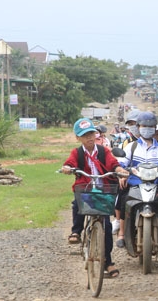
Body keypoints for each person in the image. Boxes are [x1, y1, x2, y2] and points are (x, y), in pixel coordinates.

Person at [61, 117, 129, 278]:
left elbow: (113, 163)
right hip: (85, 190)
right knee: (77, 203)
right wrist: (67, 168)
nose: (90, 138)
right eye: (85, 135)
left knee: (105, 226)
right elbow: (69, 163)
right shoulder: (76, 153)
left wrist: (120, 169)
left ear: (96, 134)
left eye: (91, 133)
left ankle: (108, 263)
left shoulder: (104, 151)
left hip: (103, 191)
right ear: (78, 138)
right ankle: (76, 232)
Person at [116, 111, 158, 248]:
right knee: (124, 198)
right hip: (135, 183)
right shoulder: (131, 147)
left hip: (157, 183)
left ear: (155, 128)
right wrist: (123, 174)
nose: (147, 129)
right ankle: (121, 232)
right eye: (144, 126)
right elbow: (122, 163)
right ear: (138, 127)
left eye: (150, 126)